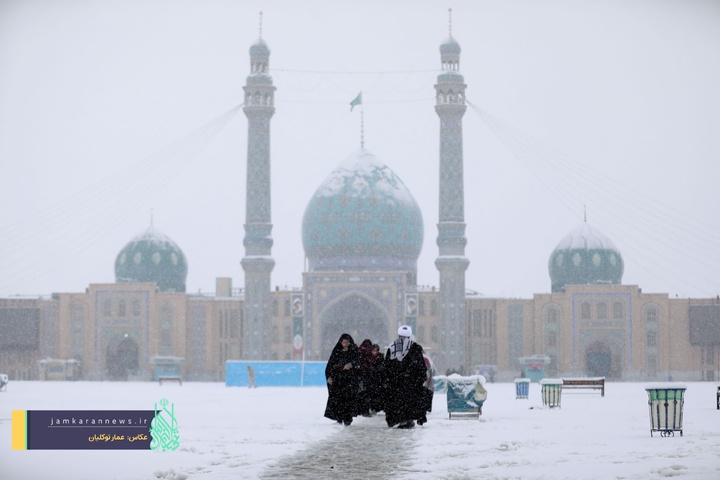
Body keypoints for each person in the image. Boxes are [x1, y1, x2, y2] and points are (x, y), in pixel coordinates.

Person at [384, 325, 428, 429]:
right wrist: (419, 377)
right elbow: (421, 366)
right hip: (411, 382)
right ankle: (409, 419)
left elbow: (387, 366)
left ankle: (402, 420)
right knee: (410, 401)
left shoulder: (392, 348)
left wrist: (390, 378)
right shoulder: (415, 348)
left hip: (397, 382)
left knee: (398, 401)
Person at [323, 333, 360, 426]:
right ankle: (339, 417)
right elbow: (330, 365)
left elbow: (359, 362)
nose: (345, 344)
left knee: (348, 400)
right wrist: (329, 377)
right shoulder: (337, 350)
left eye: (347, 342)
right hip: (338, 380)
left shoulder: (354, 350)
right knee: (338, 400)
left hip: (349, 381)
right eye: (343, 342)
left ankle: (347, 419)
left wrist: (351, 365)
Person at [357, 339, 386, 416]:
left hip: (377, 380)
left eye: (376, 351)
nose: (374, 352)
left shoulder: (380, 357)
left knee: (376, 395)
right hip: (368, 380)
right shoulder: (366, 357)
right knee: (367, 395)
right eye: (373, 351)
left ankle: (374, 408)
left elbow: (382, 368)